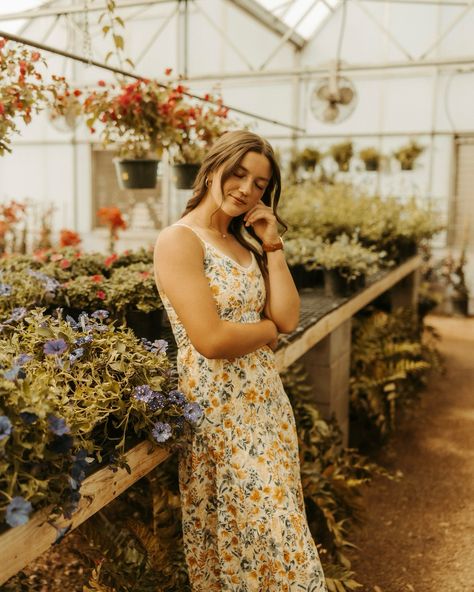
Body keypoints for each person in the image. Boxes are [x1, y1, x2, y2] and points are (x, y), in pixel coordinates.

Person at [153, 130, 327, 591]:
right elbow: (210, 339)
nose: (247, 189)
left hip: (267, 407)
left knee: (270, 542)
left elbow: (287, 315)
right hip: (220, 417)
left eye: (260, 183)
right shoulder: (179, 241)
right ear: (212, 167)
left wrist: (271, 242)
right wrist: (265, 331)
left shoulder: (244, 242)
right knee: (265, 545)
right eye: (239, 174)